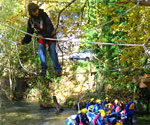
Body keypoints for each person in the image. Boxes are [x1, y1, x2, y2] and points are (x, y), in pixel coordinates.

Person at [17, 3, 62, 77]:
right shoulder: (31, 20)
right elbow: (29, 33)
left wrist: (43, 35)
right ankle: (43, 70)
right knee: (41, 51)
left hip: (50, 35)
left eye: (37, 10)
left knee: (52, 52)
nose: (36, 12)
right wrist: (22, 42)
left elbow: (49, 27)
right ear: (31, 12)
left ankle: (58, 70)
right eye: (34, 11)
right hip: (41, 37)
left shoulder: (44, 15)